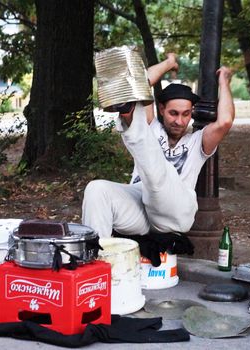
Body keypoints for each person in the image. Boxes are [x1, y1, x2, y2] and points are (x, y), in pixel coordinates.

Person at [82, 53, 235, 238]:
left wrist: (224, 81)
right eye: (173, 113)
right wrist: (168, 63)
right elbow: (142, 85)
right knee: (96, 190)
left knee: (161, 172)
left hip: (175, 212)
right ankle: (97, 260)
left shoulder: (198, 141)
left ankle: (128, 111)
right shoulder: (153, 128)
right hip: (140, 209)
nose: (179, 121)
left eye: (186, 114)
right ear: (161, 109)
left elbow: (225, 121)